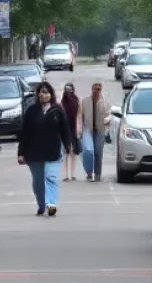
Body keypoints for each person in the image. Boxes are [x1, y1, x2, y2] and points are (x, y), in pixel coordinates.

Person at [18, 81, 72, 217]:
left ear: (51, 94)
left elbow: (65, 130)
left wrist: (68, 146)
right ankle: (41, 204)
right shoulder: (31, 111)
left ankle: (52, 204)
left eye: (47, 92)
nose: (44, 95)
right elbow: (24, 132)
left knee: (51, 177)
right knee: (38, 182)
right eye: (42, 92)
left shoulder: (57, 110)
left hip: (52, 151)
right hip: (33, 152)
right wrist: (21, 153)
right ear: (38, 94)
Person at [80, 82, 111, 182]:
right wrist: (80, 129)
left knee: (98, 152)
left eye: (99, 89)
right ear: (92, 89)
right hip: (88, 129)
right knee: (88, 151)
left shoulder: (104, 103)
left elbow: (108, 115)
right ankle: (89, 172)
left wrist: (107, 123)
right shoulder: (85, 101)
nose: (97, 91)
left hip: (100, 129)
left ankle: (97, 174)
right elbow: (81, 115)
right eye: (95, 89)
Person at [60, 81, 81, 181]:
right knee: (66, 151)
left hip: (74, 129)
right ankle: (66, 175)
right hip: (65, 130)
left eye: (70, 90)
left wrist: (79, 129)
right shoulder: (62, 103)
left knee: (73, 152)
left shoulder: (76, 101)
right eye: (66, 90)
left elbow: (79, 116)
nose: (68, 92)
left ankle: (72, 174)